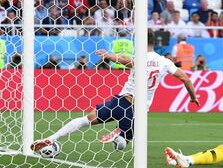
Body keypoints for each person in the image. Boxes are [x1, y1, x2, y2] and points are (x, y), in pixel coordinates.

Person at [31, 29, 200, 152]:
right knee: (122, 144)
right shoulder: (165, 62)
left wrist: (111, 56)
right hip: (137, 111)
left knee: (85, 120)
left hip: (120, 101)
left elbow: (127, 61)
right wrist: (192, 97)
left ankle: (52, 138)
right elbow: (185, 78)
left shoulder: (139, 57)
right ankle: (121, 133)